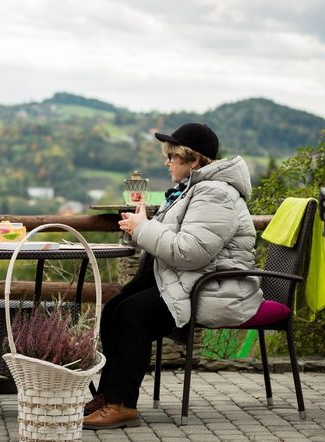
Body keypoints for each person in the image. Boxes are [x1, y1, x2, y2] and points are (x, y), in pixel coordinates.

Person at [83, 123, 262, 429]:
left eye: (173, 157)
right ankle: (107, 396)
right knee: (115, 308)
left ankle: (122, 404)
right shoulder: (192, 190)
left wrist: (144, 229)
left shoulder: (215, 194)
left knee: (131, 316)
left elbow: (190, 251)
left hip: (216, 289)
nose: (167, 162)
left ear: (193, 160)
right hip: (194, 281)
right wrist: (141, 228)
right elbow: (178, 238)